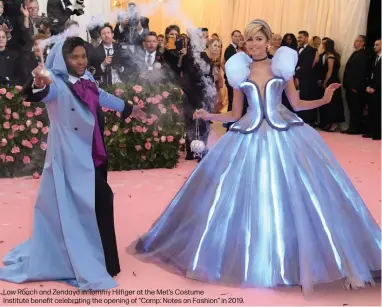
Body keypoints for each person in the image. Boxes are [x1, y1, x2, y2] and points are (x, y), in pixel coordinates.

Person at [129, 19, 381, 292]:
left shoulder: (281, 66)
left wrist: (325, 99)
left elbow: (295, 104)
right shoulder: (239, 70)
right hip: (248, 134)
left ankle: (295, 258)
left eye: (258, 39)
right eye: (249, 40)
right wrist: (208, 114)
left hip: (284, 133)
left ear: (269, 40)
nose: (253, 44)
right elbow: (236, 114)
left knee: (299, 195)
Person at [0, 37, 146, 290]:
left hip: (93, 151)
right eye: (74, 57)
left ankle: (101, 259)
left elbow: (101, 95)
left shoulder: (87, 79)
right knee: (101, 198)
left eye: (83, 56)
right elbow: (41, 93)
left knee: (93, 204)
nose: (81, 61)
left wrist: (128, 108)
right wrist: (37, 82)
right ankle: (99, 262)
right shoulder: (56, 82)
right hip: (69, 156)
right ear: (63, 59)